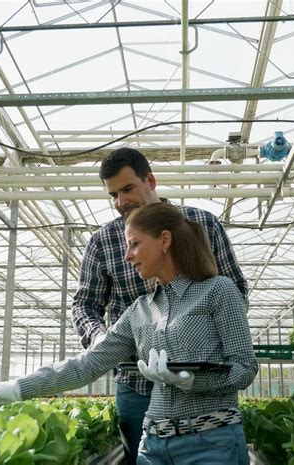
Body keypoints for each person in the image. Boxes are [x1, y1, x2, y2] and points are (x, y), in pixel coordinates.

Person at [0, 203, 258, 465]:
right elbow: (88, 364)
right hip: (152, 447)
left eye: (134, 244)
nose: (127, 256)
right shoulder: (139, 310)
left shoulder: (218, 290)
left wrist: (194, 380)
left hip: (209, 445)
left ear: (164, 240)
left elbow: (245, 369)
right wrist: (17, 388)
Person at [71, 147, 248, 464]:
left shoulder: (201, 223)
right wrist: (102, 340)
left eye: (127, 189)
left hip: (203, 384)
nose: (120, 202)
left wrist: (202, 339)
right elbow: (85, 305)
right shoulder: (103, 241)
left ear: (150, 180)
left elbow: (234, 289)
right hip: (137, 385)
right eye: (113, 194)